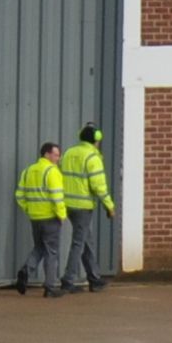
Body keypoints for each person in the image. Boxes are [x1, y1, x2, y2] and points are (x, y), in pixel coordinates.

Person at [58, 123, 116, 294]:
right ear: (97, 139)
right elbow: (99, 185)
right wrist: (109, 206)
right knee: (78, 243)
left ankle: (94, 278)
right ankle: (68, 280)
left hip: (68, 205)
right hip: (83, 206)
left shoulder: (69, 153)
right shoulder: (92, 157)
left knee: (86, 241)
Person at [13, 141, 69, 295]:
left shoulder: (28, 170)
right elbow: (57, 197)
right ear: (47, 154)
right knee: (52, 252)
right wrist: (62, 215)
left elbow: (19, 195)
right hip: (50, 218)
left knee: (40, 247)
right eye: (56, 154)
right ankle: (50, 288)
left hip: (35, 218)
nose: (58, 158)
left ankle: (26, 270)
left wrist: (29, 208)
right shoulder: (52, 172)